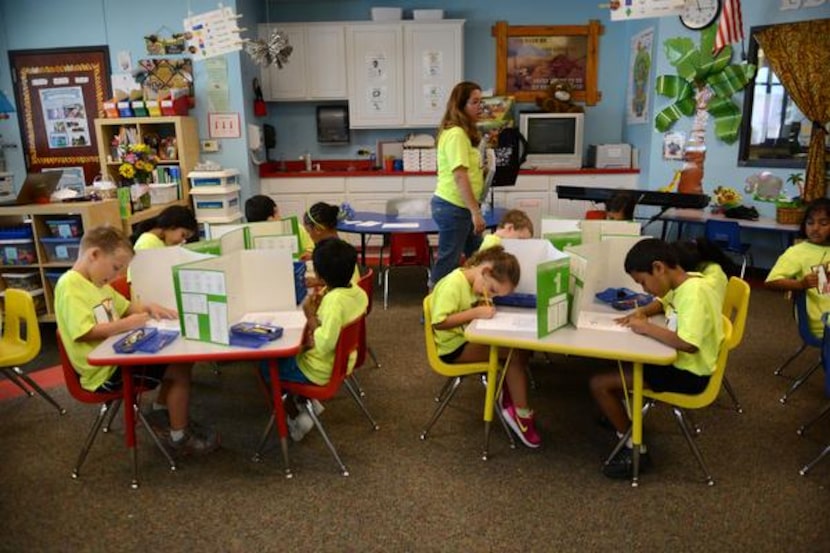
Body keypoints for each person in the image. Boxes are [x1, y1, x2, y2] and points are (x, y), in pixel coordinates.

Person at [55, 226, 219, 456]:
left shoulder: (97, 284)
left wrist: (149, 308)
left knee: (180, 362)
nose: (115, 276)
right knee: (179, 369)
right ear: (94, 255)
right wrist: (128, 324)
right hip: (103, 373)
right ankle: (179, 435)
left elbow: (126, 307)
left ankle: (167, 415)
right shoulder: (70, 285)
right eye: (115, 267)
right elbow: (84, 332)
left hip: (116, 356)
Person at [590, 238, 724, 478]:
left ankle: (634, 447)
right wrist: (642, 311)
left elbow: (689, 344)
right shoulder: (687, 282)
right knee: (618, 363)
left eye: (643, 282)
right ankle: (619, 417)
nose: (644, 289)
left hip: (689, 373)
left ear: (659, 267)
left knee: (599, 384)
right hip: (681, 364)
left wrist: (646, 328)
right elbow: (663, 303)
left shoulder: (694, 293)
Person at [429, 245, 540, 448]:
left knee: (521, 349)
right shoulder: (453, 283)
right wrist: (475, 313)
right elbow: (438, 322)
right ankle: (521, 413)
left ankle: (510, 395)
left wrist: (479, 305)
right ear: (485, 272)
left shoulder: (473, 281)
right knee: (514, 355)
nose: (490, 295)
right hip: (453, 348)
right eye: (492, 290)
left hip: (466, 338)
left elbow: (468, 305)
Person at [266, 238, 368, 441]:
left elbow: (324, 343)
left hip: (320, 370)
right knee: (295, 348)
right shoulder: (356, 292)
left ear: (320, 274)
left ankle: (293, 417)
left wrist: (311, 316)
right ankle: (305, 402)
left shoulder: (334, 302)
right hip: (343, 362)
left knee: (266, 366)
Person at [430, 81, 486, 288]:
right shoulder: (456, 134)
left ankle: (473, 296)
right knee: (448, 261)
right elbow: (460, 176)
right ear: (460, 106)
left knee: (477, 256)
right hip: (453, 207)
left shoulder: (460, 133)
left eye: (481, 102)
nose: (480, 106)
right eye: (475, 102)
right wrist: (476, 212)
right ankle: (433, 311)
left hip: (459, 206)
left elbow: (467, 173)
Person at [766, 197, 830, 339]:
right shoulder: (798, 252)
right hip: (821, 321)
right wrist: (801, 284)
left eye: (823, 223)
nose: (815, 228)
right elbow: (771, 282)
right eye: (810, 223)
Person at [303, 202, 360, 287]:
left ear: (318, 229)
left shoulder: (335, 255)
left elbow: (342, 283)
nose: (309, 235)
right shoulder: (338, 249)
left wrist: (318, 282)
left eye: (308, 231)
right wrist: (314, 256)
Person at [244, 194, 314, 259]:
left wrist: (308, 253)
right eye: (277, 212)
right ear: (270, 219)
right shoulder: (246, 236)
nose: (280, 217)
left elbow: (310, 249)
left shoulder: (295, 228)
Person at [131, 204, 197, 249]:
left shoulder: (162, 243)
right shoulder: (147, 244)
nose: (183, 241)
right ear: (172, 226)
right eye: (183, 235)